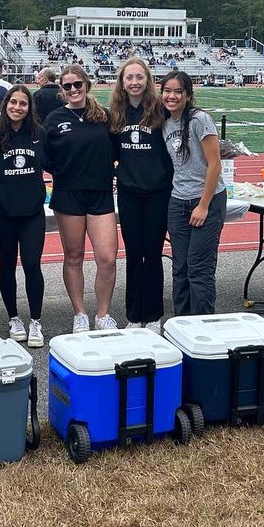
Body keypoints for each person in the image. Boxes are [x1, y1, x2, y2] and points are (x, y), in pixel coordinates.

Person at [44, 64, 118, 332]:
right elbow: (45, 157)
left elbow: (119, 151)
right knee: (74, 255)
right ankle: (80, 314)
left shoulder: (105, 117)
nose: (73, 90)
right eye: (67, 86)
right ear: (62, 90)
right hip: (68, 195)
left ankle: (102, 314)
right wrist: (65, 172)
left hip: (100, 194)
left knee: (107, 257)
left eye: (78, 84)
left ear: (87, 85)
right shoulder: (53, 119)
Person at [109, 58, 172, 328]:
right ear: (122, 83)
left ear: (148, 80)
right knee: (134, 254)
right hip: (129, 193)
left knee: (153, 253)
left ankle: (154, 315)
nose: (134, 82)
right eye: (129, 77)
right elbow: (109, 151)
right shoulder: (116, 113)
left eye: (139, 77)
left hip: (158, 192)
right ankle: (134, 316)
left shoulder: (160, 110)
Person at [0, 85, 47, 347]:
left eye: (23, 103)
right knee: (7, 264)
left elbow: (53, 163)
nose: (17, 107)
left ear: (29, 107)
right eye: (13, 102)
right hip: (3, 212)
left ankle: (36, 321)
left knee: (32, 264)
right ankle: (13, 318)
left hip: (32, 211)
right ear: (5, 104)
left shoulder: (39, 134)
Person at [160, 71, 226, 316]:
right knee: (180, 267)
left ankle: (202, 324)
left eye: (178, 91)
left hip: (205, 200)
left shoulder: (199, 120)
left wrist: (203, 205)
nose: (172, 96)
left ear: (188, 95)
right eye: (167, 91)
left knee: (199, 268)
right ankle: (182, 323)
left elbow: (215, 164)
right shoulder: (165, 123)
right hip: (178, 200)